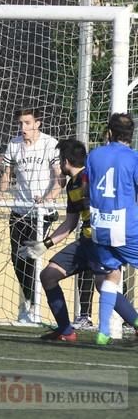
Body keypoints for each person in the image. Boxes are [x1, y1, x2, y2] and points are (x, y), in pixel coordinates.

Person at [0, 108, 64, 323]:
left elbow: (59, 178)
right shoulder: (13, 144)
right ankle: (29, 303)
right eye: (20, 123)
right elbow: (6, 174)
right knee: (17, 259)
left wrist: (48, 198)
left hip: (42, 213)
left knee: (32, 257)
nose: (23, 128)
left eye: (27, 123)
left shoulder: (50, 144)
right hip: (19, 211)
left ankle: (35, 309)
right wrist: (0, 193)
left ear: (37, 124)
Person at [19, 139, 92, 342]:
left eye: (60, 159)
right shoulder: (72, 185)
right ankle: (66, 331)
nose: (59, 164)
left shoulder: (94, 177)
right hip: (85, 245)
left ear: (66, 161)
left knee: (108, 285)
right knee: (48, 276)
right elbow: (70, 223)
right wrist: (44, 244)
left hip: (106, 243)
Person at [83, 113, 138, 345]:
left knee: (111, 274)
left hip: (100, 225)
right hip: (126, 226)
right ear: (131, 135)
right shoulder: (134, 158)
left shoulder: (94, 155)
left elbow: (86, 189)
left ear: (109, 133)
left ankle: (103, 331)